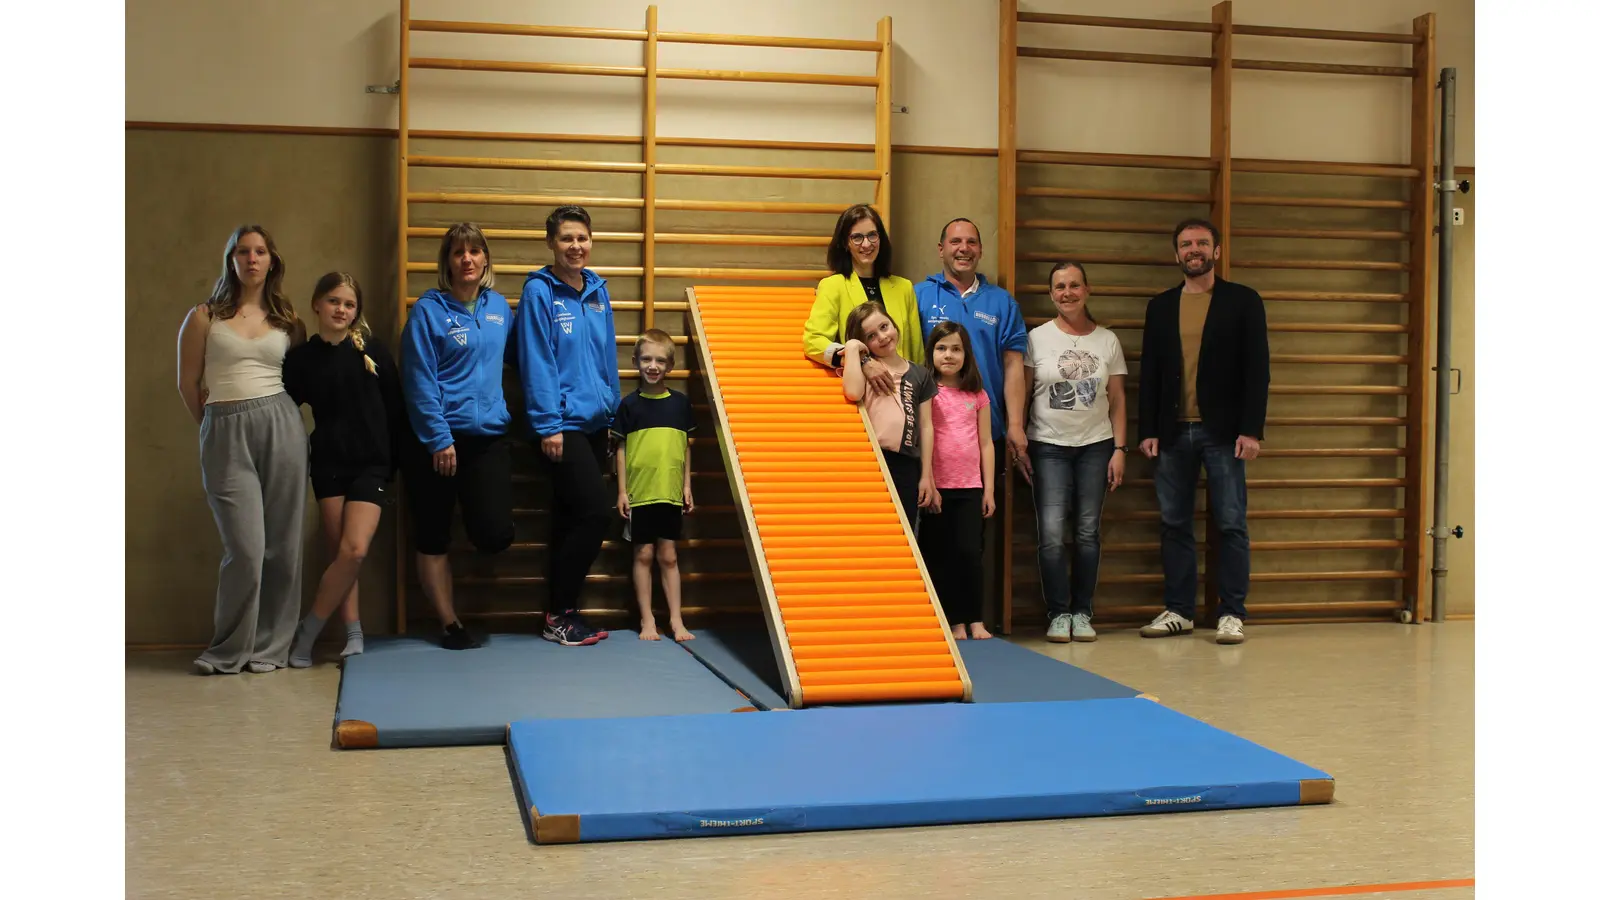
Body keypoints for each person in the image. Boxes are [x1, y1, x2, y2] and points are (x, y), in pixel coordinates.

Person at [175, 225, 308, 675]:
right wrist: (216, 429)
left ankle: (271, 648)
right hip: (224, 428)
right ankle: (227, 650)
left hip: (281, 425)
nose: (252, 259)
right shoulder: (203, 317)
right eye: (243, 251)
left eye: (260, 251)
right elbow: (188, 383)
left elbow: (302, 379)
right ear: (231, 260)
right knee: (246, 550)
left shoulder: (289, 321)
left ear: (272, 260)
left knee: (283, 545)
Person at [1137, 218, 1269, 645]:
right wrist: (1149, 429)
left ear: (1216, 250)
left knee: (1231, 523)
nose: (1194, 249)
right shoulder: (1160, 307)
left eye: (1202, 243)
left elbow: (1257, 371)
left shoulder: (1243, 301)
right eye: (1186, 244)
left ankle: (1232, 613)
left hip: (1224, 433)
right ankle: (1179, 610)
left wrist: (1251, 430)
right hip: (1172, 434)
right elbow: (1151, 373)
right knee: (1174, 523)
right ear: (1175, 254)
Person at [401, 222, 515, 651]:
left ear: (485, 258)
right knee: (432, 533)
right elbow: (418, 380)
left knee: (494, 534)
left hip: (486, 439)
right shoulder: (428, 311)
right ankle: (449, 623)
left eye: (474, 251)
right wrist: (438, 438)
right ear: (446, 262)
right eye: (457, 252)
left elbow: (524, 357)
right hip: (436, 441)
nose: (466, 259)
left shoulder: (499, 309)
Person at [283, 272, 405, 667]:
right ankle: (353, 632)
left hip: (372, 464)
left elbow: (396, 409)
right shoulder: (301, 360)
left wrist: (394, 465)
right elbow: (281, 407)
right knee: (340, 554)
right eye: (334, 301)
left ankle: (310, 629)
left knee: (354, 550)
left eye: (349, 304)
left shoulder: (371, 350)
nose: (341, 309)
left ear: (357, 312)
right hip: (329, 464)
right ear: (317, 304)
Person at [514, 205, 622, 648]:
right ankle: (560, 611)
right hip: (561, 425)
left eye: (582, 238)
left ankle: (562, 613)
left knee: (569, 517)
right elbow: (535, 360)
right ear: (551, 244)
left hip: (595, 423)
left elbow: (606, 358)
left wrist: (613, 414)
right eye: (566, 239)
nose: (575, 247)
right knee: (595, 512)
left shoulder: (597, 289)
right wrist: (548, 425)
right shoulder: (539, 292)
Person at [1023, 262, 1129, 643]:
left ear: (1087, 289)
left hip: (1095, 447)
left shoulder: (1108, 341)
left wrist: (1119, 448)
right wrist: (1018, 439)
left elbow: (1116, 399)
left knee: (1087, 533)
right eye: (1059, 287)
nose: (1067, 292)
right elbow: (1023, 392)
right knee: (1051, 534)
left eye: (1074, 285)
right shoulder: (1036, 338)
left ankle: (1082, 611)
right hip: (1048, 446)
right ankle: (1058, 612)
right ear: (1051, 294)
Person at [915, 218, 1029, 472]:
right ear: (941, 249)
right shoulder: (918, 296)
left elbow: (1013, 366)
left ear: (980, 250)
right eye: (955, 241)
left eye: (971, 242)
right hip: (932, 429)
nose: (963, 248)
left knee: (984, 508)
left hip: (986, 431)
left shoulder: (1002, 302)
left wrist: (1015, 425)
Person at [612, 329, 697, 643]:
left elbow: (685, 447)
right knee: (643, 555)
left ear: (670, 366)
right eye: (646, 359)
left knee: (669, 556)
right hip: (640, 494)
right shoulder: (629, 406)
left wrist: (686, 486)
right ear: (635, 361)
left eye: (660, 360)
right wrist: (622, 491)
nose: (653, 365)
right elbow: (620, 450)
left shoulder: (680, 404)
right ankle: (647, 620)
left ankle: (676, 620)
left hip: (669, 492)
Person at [918, 321, 995, 640]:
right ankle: (952, 620)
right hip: (938, 488)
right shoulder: (927, 391)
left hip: (970, 487)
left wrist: (988, 489)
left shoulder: (976, 394)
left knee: (969, 553)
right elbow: (924, 434)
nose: (948, 355)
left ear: (966, 354)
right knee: (940, 555)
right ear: (931, 352)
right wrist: (929, 480)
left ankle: (974, 617)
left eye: (955, 348)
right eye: (941, 348)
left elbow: (986, 443)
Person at [803, 204, 923, 396]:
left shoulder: (904, 288)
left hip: (905, 395)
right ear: (845, 243)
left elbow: (917, 353)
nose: (866, 244)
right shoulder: (834, 286)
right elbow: (812, 341)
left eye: (872, 235)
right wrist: (860, 361)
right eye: (857, 237)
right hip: (863, 395)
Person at [841, 302, 938, 527]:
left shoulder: (920, 374)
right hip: (873, 461)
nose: (882, 337)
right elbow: (853, 391)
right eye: (871, 336)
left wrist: (926, 475)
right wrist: (853, 347)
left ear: (894, 324)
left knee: (904, 529)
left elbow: (926, 426)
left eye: (884, 327)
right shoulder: (868, 368)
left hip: (906, 463)